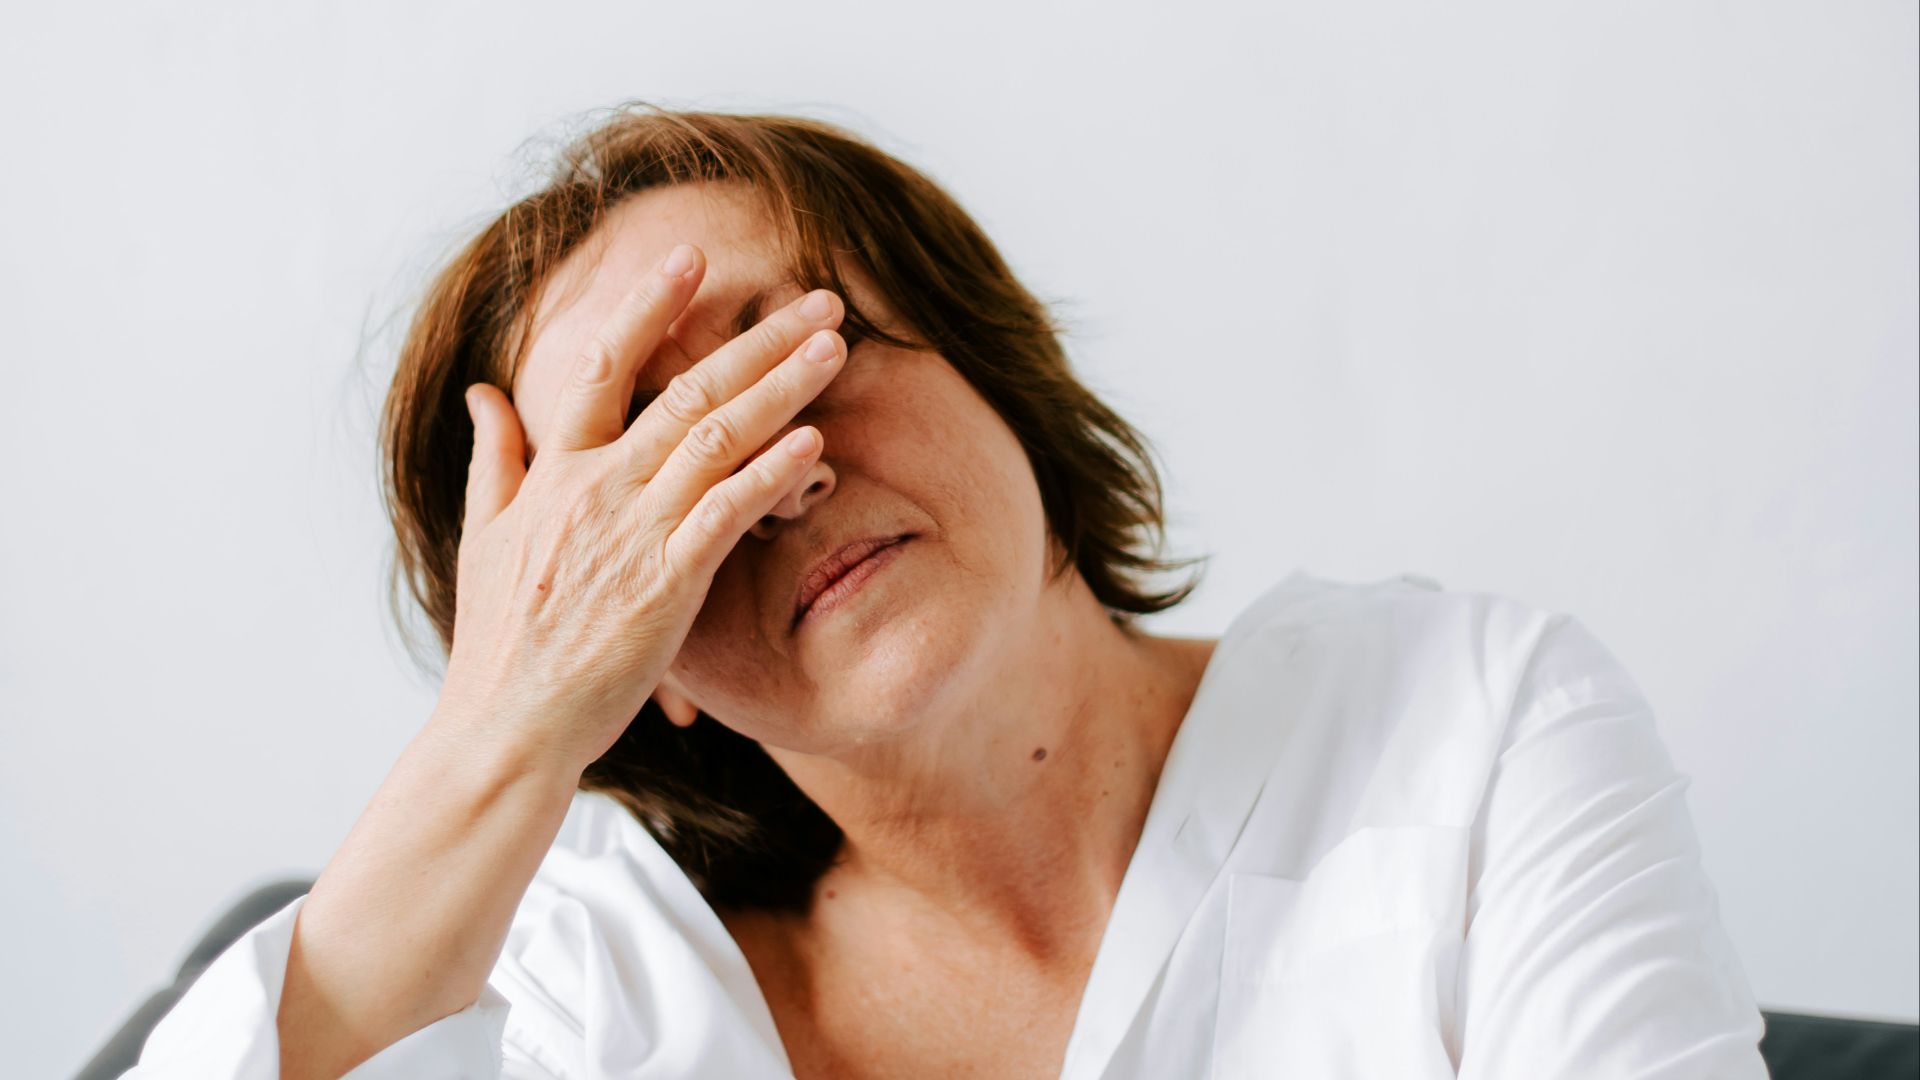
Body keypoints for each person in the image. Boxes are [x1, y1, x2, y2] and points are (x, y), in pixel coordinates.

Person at [126, 104, 1767, 1079]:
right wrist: (501, 723)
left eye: (793, 360)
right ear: (626, 655)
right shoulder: (580, 991)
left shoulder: (1470, 728)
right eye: (654, 477)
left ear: (991, 364)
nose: (781, 479)